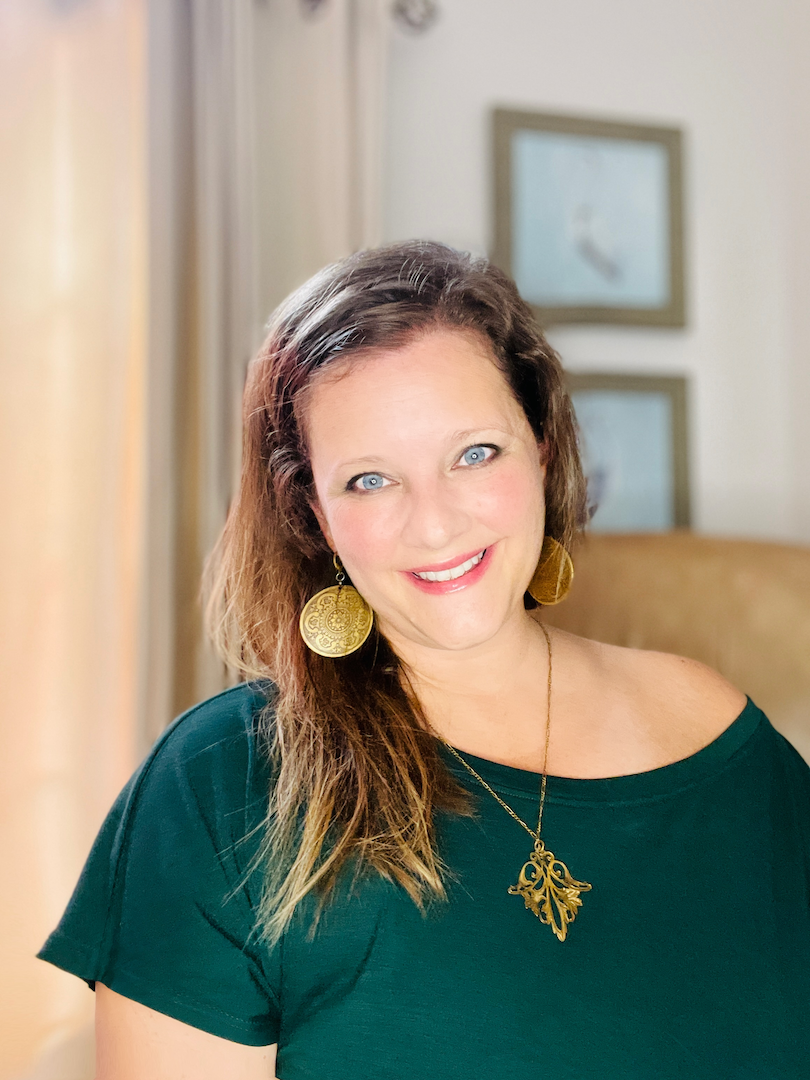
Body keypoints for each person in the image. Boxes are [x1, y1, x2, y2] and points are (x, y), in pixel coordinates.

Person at [40, 241, 810, 1080]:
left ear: (542, 448)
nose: (435, 525)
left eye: (474, 454)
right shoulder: (223, 785)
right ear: (314, 516)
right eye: (371, 480)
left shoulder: (715, 731)